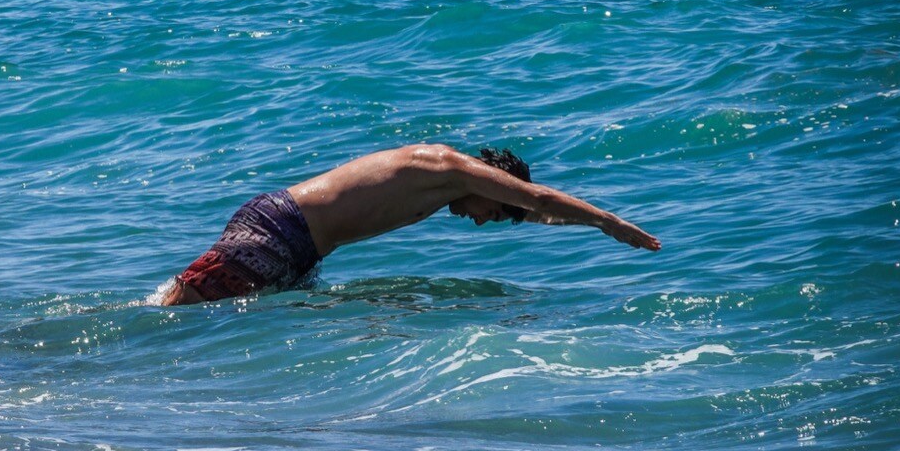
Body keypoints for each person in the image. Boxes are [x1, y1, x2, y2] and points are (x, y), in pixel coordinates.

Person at [159, 144, 659, 305]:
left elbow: (535, 211)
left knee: (201, 322)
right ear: (491, 190)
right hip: (278, 230)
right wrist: (608, 222)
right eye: (495, 214)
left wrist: (584, 227)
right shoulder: (446, 167)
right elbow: (535, 198)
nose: (483, 224)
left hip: (301, 249)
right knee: (174, 316)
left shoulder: (444, 186)